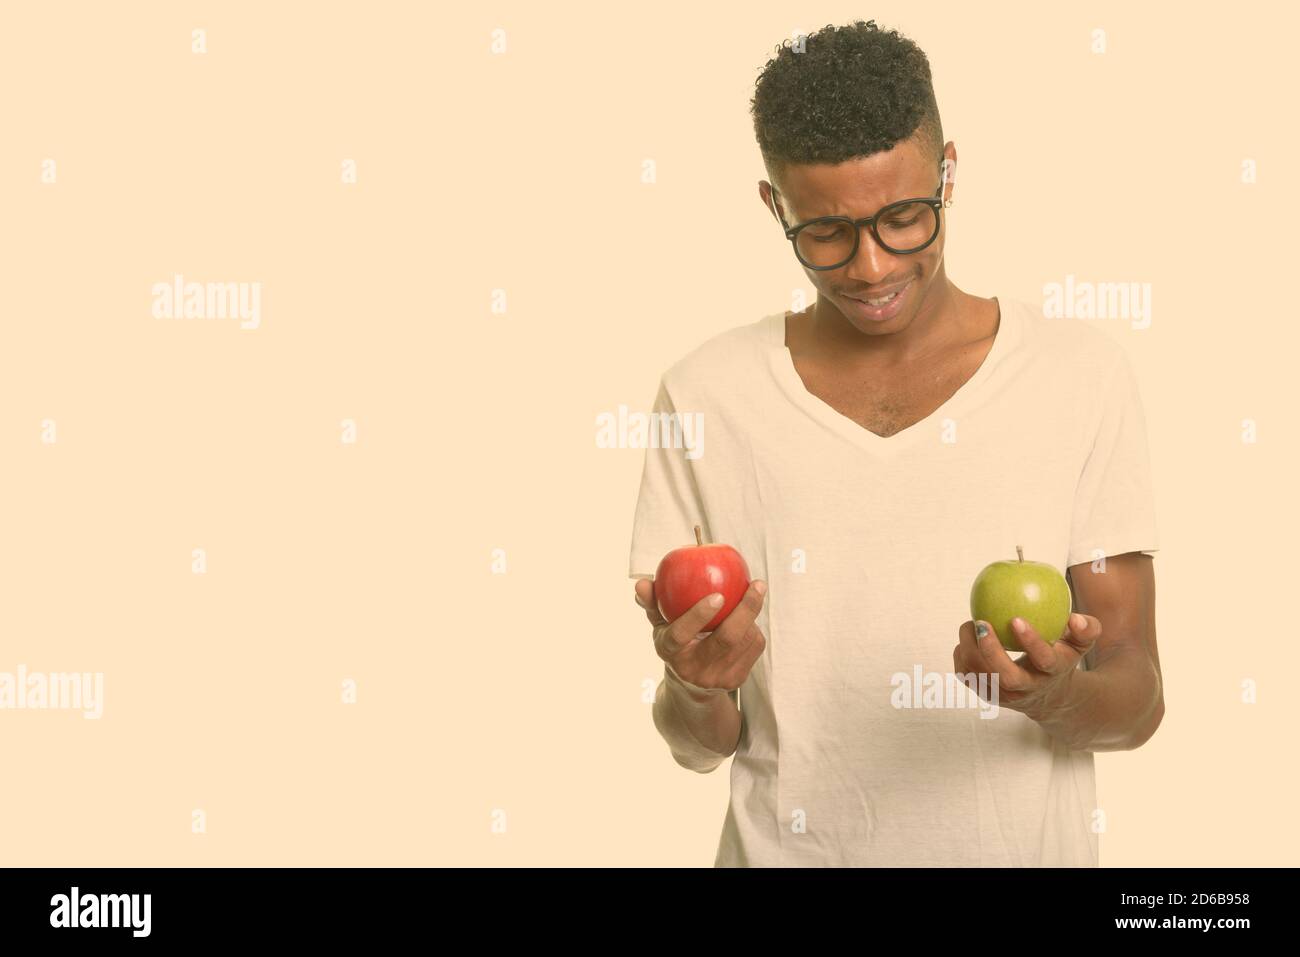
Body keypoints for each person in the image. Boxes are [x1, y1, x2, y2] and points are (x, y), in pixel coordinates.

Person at [627, 19, 1163, 867]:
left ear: (949, 171)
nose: (872, 267)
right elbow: (696, 744)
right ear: (775, 207)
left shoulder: (1080, 376)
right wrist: (697, 682)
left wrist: (1054, 695)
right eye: (827, 233)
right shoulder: (704, 396)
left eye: (904, 217)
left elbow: (1136, 700)